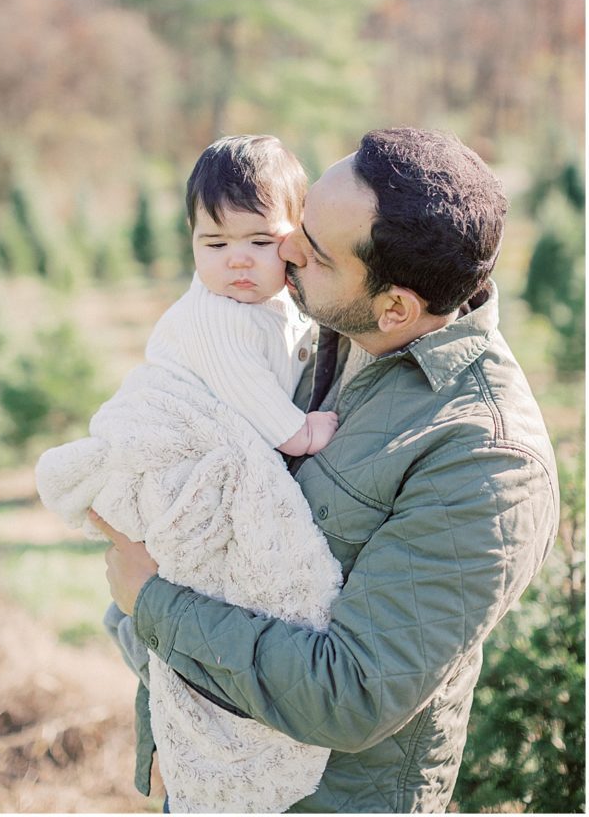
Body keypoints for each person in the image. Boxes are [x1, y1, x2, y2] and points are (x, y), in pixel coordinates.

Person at [90, 126, 560, 814]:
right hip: (205, 779)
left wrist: (152, 605)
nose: (282, 247)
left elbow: (350, 695)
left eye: (310, 251)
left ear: (394, 305)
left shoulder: (482, 461)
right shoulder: (323, 330)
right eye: (300, 222)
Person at [36, 135, 345, 813]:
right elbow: (244, 387)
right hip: (176, 434)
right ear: (191, 244)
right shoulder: (216, 315)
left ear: (297, 241)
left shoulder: (278, 306)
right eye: (214, 244)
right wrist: (298, 432)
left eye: (260, 242)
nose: (236, 260)